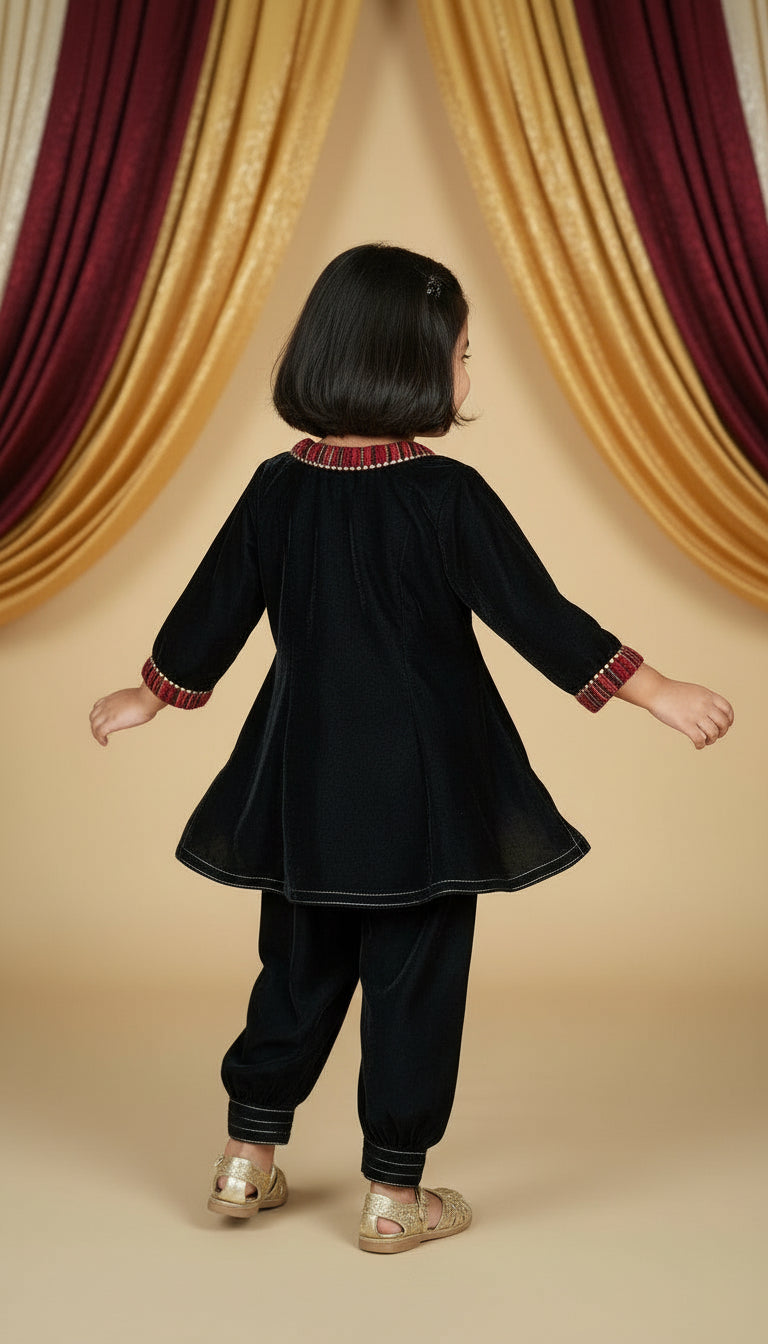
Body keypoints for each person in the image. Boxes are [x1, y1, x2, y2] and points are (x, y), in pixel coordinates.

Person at [89, 243, 733, 1254]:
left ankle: (245, 1157)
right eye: (462, 352)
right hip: (428, 792)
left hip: (301, 781)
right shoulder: (447, 495)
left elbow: (213, 609)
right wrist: (657, 691)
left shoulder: (275, 489)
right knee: (414, 983)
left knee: (294, 968)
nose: (469, 371)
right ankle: (394, 1195)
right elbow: (538, 616)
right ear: (408, 363)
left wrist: (152, 695)